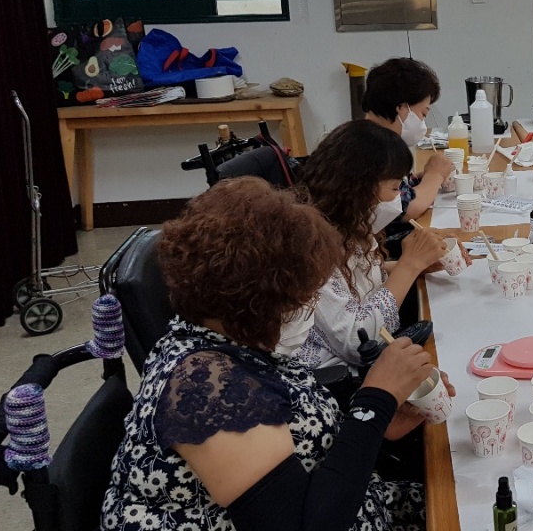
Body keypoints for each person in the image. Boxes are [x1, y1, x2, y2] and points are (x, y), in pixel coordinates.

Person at [101, 177, 454, 531]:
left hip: (346, 499)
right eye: (303, 297)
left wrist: (383, 420)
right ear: (259, 301)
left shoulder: (231, 340)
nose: (310, 306)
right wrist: (376, 400)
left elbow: (298, 433)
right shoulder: (206, 387)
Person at [277, 120, 453, 368]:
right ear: (360, 187)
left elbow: (358, 279)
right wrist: (409, 265)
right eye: (394, 188)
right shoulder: (308, 245)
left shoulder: (347, 222)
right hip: (329, 374)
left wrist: (417, 263)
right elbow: (357, 342)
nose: (397, 198)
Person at [363, 57, 452, 222]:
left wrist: (422, 177)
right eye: (423, 114)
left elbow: (395, 189)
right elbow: (404, 210)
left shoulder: (364, 135)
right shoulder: (374, 148)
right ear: (401, 108)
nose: (423, 122)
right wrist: (435, 176)